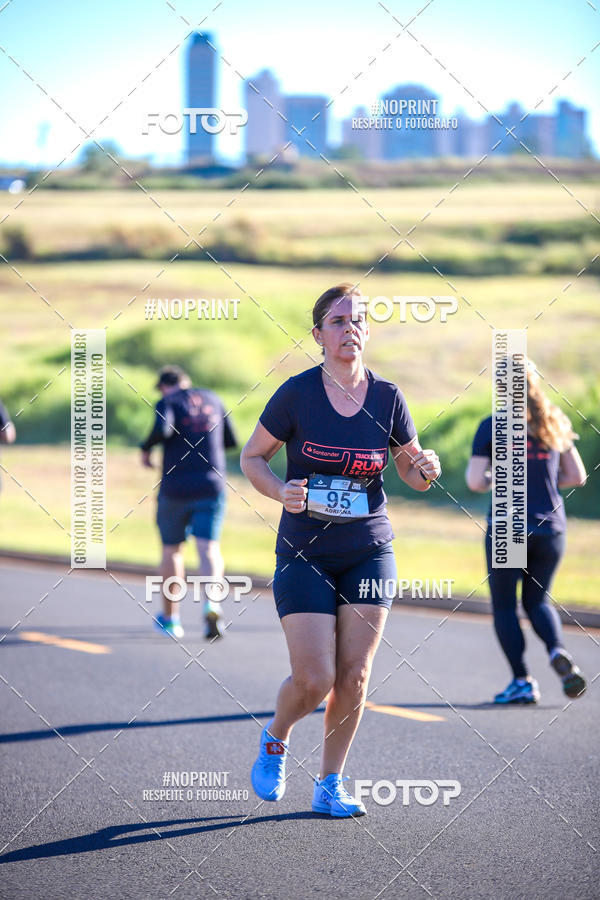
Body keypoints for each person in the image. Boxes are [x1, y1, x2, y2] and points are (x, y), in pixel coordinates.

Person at [240, 283, 441, 817]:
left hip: (369, 548)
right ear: (318, 334)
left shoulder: (388, 397)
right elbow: (252, 457)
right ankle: (276, 737)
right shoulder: (297, 394)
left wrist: (424, 470)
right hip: (305, 549)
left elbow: (410, 470)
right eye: (338, 321)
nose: (350, 328)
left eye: (358, 321)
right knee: (315, 679)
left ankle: (331, 783)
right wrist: (279, 491)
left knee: (354, 675)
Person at [466, 360, 587, 704]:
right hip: (551, 528)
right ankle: (556, 651)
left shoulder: (492, 426)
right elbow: (577, 476)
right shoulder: (554, 422)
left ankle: (522, 681)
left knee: (505, 606)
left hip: (508, 527)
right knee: (537, 601)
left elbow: (475, 482)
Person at [140, 365, 237, 640]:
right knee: (209, 547)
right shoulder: (213, 398)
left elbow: (163, 428)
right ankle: (212, 603)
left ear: (164, 386)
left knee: (172, 550)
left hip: (176, 488)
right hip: (211, 484)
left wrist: (145, 449)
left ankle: (171, 621)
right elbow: (231, 440)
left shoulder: (167, 401)